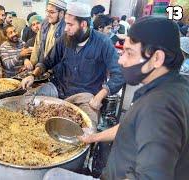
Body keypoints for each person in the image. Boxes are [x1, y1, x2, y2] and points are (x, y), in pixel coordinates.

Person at [45, 16, 189, 180]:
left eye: (129, 52)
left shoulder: (159, 108)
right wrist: (93, 137)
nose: (121, 60)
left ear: (157, 58)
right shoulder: (175, 86)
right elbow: (130, 125)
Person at [21, 2, 124, 125]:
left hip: (85, 96)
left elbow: (119, 74)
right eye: (66, 23)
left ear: (83, 24)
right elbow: (48, 61)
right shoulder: (65, 38)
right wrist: (33, 75)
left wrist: (100, 96)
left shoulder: (103, 42)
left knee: (88, 128)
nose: (65, 28)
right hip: (58, 88)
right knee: (27, 102)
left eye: (70, 24)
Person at [30, 0, 67, 66]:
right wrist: (32, 64)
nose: (48, 15)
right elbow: (37, 45)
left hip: (56, 69)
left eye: (51, 12)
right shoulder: (45, 23)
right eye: (47, 11)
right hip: (41, 66)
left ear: (61, 13)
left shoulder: (66, 29)